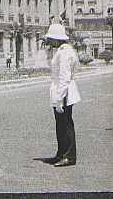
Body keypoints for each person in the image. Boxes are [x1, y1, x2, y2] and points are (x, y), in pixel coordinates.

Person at [41, 23, 80, 167]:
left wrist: (59, 99)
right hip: (62, 91)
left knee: (66, 124)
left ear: (57, 39)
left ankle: (69, 156)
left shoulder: (64, 53)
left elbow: (64, 76)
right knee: (61, 125)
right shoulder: (62, 50)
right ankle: (61, 154)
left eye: (50, 38)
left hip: (64, 93)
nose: (49, 41)